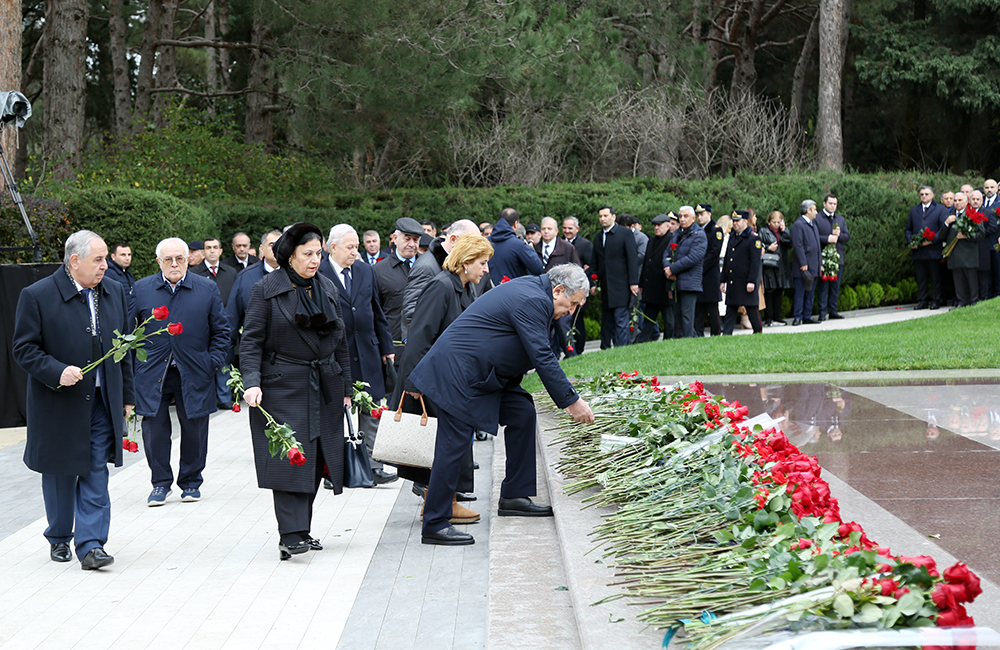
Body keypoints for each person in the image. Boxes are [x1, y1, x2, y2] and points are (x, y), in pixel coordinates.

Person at [408, 264, 594, 545]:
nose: (571, 312)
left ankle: (514, 495)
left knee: (522, 412)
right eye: (573, 304)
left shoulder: (536, 292)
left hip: (484, 377)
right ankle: (435, 522)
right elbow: (541, 355)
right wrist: (572, 401)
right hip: (459, 375)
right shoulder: (533, 299)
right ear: (558, 291)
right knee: (454, 445)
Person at [12, 230, 135, 570]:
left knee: (96, 470)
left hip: (100, 402)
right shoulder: (37, 295)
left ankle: (92, 544)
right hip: (57, 403)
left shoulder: (115, 292)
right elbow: (23, 349)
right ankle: (59, 535)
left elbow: (121, 350)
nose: (105, 266)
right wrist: (56, 371)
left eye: (106, 258)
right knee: (59, 472)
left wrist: (127, 395)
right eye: (98, 259)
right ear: (75, 261)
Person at [240, 223, 353, 560]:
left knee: (318, 459)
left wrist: (346, 386)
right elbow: (251, 341)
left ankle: (301, 530)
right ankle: (290, 534)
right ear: (290, 256)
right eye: (308, 254)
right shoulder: (265, 289)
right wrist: (252, 382)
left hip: (325, 385)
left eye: (318, 253)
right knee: (291, 457)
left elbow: (341, 342)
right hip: (283, 386)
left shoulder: (327, 287)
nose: (315, 260)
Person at [392, 234, 494, 525]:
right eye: (483, 263)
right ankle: (440, 504)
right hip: (429, 379)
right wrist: (413, 383)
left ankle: (443, 501)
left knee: (447, 445)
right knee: (442, 445)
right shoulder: (441, 286)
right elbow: (420, 335)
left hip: (445, 379)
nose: (486, 270)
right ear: (465, 262)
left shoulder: (461, 287)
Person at [132, 238, 231, 506]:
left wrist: (211, 362)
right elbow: (130, 333)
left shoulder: (206, 288)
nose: (174, 264)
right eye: (168, 259)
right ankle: (160, 483)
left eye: (180, 258)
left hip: (195, 369)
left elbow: (222, 331)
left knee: (195, 427)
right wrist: (135, 368)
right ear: (158, 261)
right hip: (153, 372)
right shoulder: (141, 289)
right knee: (154, 429)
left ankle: (190, 482)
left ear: (189, 259)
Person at [320, 224, 396, 485]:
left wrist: (387, 348)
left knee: (372, 408)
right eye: (349, 247)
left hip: (367, 350)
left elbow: (376, 311)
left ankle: (373, 465)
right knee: (333, 413)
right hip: (335, 354)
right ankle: (332, 471)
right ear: (332, 247)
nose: (355, 252)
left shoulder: (365, 270)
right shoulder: (319, 273)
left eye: (356, 247)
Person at [402, 219, 482, 339]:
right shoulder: (426, 267)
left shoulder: (461, 264)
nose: (476, 250)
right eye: (472, 244)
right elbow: (412, 315)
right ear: (453, 240)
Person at [191, 236, 238, 408]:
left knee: (224, 360)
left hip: (226, 325)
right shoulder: (194, 273)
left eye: (215, 247)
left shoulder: (231, 272)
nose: (212, 250)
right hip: (203, 325)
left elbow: (235, 298)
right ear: (202, 252)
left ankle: (225, 398)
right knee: (205, 362)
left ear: (221, 251)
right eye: (208, 247)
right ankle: (208, 399)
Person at [374, 217, 424, 358]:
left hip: (424, 346)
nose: (412, 244)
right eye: (407, 239)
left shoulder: (429, 267)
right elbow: (376, 313)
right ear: (395, 239)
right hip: (394, 348)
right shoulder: (379, 271)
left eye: (415, 240)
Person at [592, 205, 639, 348]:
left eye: (605, 216)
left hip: (621, 285)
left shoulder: (625, 233)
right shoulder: (598, 238)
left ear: (613, 217)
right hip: (606, 287)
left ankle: (621, 348)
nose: (602, 219)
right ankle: (605, 348)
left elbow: (632, 259)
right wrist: (593, 283)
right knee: (607, 321)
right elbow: (595, 263)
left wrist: (633, 282)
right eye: (600, 216)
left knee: (621, 320)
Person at [534, 217, 582, 355]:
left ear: (556, 231)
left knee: (563, 328)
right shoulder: (535, 248)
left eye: (549, 229)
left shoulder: (567, 248)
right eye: (543, 229)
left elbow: (577, 270)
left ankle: (571, 355)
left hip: (562, 296)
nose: (546, 232)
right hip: (542, 295)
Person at [905, 185, 948, 310]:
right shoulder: (914, 210)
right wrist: (911, 241)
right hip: (918, 251)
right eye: (922, 194)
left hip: (933, 250)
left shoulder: (940, 209)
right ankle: (922, 301)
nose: (924, 196)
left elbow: (942, 230)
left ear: (933, 195)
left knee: (935, 278)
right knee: (921, 278)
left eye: (926, 194)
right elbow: (908, 229)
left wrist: (931, 241)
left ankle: (935, 301)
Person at [665, 206, 706, 338]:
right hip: (676, 281)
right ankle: (679, 342)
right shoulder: (676, 234)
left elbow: (693, 258)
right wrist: (667, 267)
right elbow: (666, 254)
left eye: (686, 216)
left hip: (690, 281)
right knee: (677, 315)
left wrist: (672, 269)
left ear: (693, 219)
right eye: (680, 216)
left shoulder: (699, 234)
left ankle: (689, 343)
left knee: (687, 317)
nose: (682, 219)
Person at [938, 192, 984, 307]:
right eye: (955, 201)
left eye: (960, 200)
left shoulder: (971, 214)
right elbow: (941, 235)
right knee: (958, 281)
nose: (957, 203)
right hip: (954, 254)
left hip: (969, 254)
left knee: (971, 280)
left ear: (966, 201)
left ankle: (973, 301)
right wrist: (947, 223)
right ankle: (961, 301)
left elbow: (981, 234)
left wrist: (967, 236)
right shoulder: (950, 214)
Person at [721, 211, 763, 334]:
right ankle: (726, 335)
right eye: (733, 221)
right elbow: (728, 260)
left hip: (745, 281)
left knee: (751, 310)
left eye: (738, 221)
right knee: (731, 310)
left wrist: (751, 281)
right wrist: (722, 280)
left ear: (745, 221)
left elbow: (755, 263)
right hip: (734, 281)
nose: (735, 223)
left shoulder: (753, 238)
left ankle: (758, 333)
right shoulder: (733, 237)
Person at [636, 213, 674, 342]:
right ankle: (643, 343)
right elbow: (646, 263)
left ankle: (669, 342)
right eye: (655, 225)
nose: (656, 228)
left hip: (664, 286)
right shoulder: (651, 241)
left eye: (659, 225)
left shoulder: (672, 240)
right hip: (651, 286)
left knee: (669, 320)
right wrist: (641, 283)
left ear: (668, 226)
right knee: (649, 319)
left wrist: (670, 286)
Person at [814, 195, 850, 321]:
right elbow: (813, 237)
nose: (833, 206)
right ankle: (822, 312)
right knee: (823, 286)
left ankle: (833, 311)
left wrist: (838, 236)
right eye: (830, 203)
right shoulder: (817, 218)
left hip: (837, 259)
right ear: (824, 204)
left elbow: (847, 237)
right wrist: (827, 238)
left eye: (835, 204)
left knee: (835, 286)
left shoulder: (840, 219)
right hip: (823, 258)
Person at [562, 216, 594, 356]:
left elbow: (591, 267)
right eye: (565, 228)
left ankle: (578, 351)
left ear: (577, 229)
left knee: (578, 322)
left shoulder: (585, 244)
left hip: (579, 291)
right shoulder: (560, 243)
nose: (567, 231)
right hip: (563, 292)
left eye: (570, 228)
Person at [488, 208, 544, 281]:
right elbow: (538, 269)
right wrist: (530, 249)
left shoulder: (485, 242)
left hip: (488, 290)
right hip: (513, 289)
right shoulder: (519, 245)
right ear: (516, 224)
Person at [693, 204, 723, 337]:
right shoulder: (695, 230)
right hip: (698, 276)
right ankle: (698, 334)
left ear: (709, 214)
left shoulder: (715, 230)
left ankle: (716, 333)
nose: (699, 217)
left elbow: (714, 253)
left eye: (702, 214)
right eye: (697, 215)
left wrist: (700, 267)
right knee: (698, 307)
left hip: (710, 274)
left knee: (712, 308)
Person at [791, 199, 822, 325]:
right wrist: (803, 263)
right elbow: (798, 246)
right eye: (815, 209)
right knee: (800, 292)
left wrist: (820, 263)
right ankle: (797, 316)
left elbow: (817, 246)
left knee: (810, 293)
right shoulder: (798, 225)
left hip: (814, 265)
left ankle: (807, 316)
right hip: (803, 267)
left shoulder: (813, 224)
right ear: (808, 210)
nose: (817, 212)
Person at [759, 211, 792, 326]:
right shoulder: (764, 231)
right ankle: (768, 318)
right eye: (774, 222)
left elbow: (790, 243)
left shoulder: (783, 232)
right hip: (769, 265)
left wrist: (785, 230)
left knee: (779, 291)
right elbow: (759, 245)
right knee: (770, 291)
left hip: (781, 265)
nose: (776, 224)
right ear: (769, 221)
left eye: (779, 222)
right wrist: (768, 248)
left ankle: (777, 316)